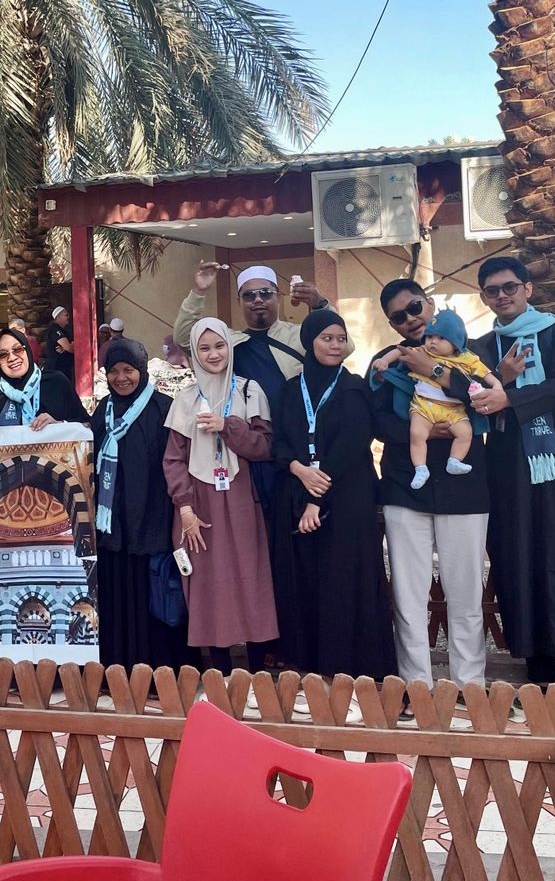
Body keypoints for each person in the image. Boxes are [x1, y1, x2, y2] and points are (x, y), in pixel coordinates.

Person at [172, 262, 329, 658]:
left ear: (278, 296)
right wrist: (198, 291)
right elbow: (189, 336)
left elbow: (336, 343)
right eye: (249, 295)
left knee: (269, 560)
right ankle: (226, 654)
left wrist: (320, 304)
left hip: (285, 458)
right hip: (233, 478)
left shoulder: (295, 337)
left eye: (265, 293)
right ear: (240, 301)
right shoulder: (234, 343)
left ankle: (286, 647)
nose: (258, 300)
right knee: (219, 568)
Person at [470, 256, 555, 695]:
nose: (502, 296)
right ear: (484, 297)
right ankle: (540, 670)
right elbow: (470, 394)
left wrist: (509, 397)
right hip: (508, 470)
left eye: (510, 287)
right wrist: (500, 378)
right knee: (520, 556)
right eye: (493, 291)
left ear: (527, 288)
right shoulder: (482, 347)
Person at [369, 279, 490, 696]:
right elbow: (378, 421)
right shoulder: (387, 363)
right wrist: (425, 432)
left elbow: (485, 399)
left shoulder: (472, 353)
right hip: (406, 486)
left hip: (465, 488)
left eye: (415, 307)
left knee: (465, 594)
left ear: (430, 303)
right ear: (392, 324)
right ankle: (415, 687)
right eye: (398, 316)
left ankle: (470, 688)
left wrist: (434, 370)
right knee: (408, 596)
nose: (410, 319)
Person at [272, 309, 396, 680]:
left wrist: (316, 497)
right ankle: (310, 670)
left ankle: (355, 672)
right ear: (309, 342)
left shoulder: (353, 388)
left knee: (345, 581)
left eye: (341, 339)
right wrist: (299, 469)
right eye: (327, 338)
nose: (335, 345)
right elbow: (278, 442)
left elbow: (352, 444)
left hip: (346, 500)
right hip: (298, 494)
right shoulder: (290, 390)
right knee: (307, 582)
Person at [162, 318, 277, 673]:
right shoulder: (185, 399)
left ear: (230, 347)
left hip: (241, 498)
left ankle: (256, 673)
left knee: (250, 577)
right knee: (208, 581)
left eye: (219, 346)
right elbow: (173, 460)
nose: (213, 354)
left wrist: (227, 426)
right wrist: (184, 508)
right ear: (194, 354)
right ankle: (221, 673)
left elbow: (264, 447)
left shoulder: (249, 391)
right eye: (204, 348)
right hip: (198, 504)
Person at [91, 339, 191, 671]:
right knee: (119, 596)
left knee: (156, 598)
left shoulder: (164, 408)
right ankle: (119, 668)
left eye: (129, 370)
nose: (121, 378)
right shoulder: (102, 411)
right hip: (113, 527)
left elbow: (178, 463)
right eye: (114, 371)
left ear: (142, 370)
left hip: (152, 523)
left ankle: (162, 672)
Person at [403, 311, 499, 488]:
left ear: (455, 343)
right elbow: (400, 352)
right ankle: (420, 468)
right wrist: (384, 361)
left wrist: (497, 386)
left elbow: (485, 374)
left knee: (465, 433)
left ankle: (455, 460)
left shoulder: (467, 358)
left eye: (441, 338)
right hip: (424, 406)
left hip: (453, 410)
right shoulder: (423, 352)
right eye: (429, 336)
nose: (433, 341)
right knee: (417, 433)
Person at [0, 329, 90, 428]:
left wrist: (59, 425)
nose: (12, 358)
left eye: (17, 350)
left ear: (27, 350)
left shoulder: (56, 383)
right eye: (3, 355)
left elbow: (87, 425)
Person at [42, 306, 75, 376]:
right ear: (58, 317)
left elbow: (70, 346)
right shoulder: (54, 329)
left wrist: (65, 348)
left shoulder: (64, 331)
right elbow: (70, 348)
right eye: (66, 315)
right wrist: (68, 346)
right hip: (56, 370)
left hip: (63, 370)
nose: (68, 317)